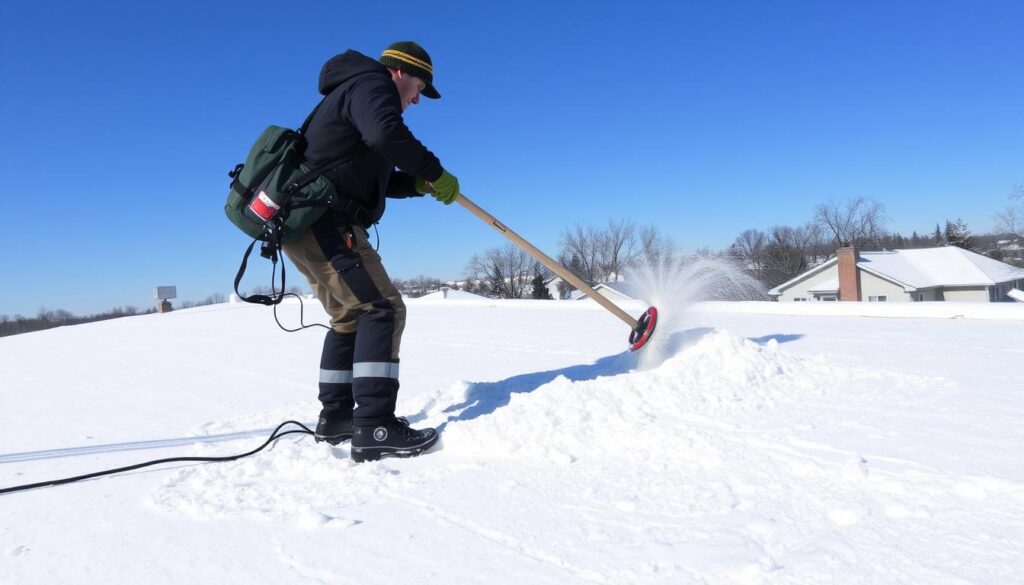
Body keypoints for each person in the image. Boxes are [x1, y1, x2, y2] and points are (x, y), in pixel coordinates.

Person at [281, 41, 459, 462]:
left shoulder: (354, 93)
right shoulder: (371, 83)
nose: (416, 99)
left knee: (348, 318)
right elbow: (386, 134)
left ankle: (338, 418)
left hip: (304, 224)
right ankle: (375, 425)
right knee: (383, 309)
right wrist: (433, 169)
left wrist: (416, 184)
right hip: (325, 223)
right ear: (401, 72)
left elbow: (369, 176)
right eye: (418, 88)